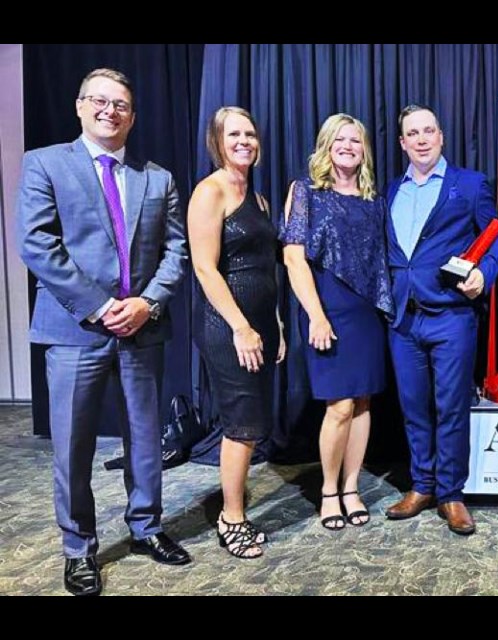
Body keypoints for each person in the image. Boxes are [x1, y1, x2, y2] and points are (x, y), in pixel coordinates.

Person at [16, 68, 190, 596]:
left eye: (120, 105)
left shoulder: (156, 178)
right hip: (74, 330)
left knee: (145, 436)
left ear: (133, 117)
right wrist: (99, 306)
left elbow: (176, 251)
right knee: (73, 445)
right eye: (100, 101)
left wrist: (146, 303)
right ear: (80, 107)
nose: (110, 111)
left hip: (142, 328)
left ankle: (146, 527)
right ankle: (78, 548)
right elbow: (37, 244)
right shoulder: (45, 163)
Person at [383, 105, 498, 536]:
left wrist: (483, 273)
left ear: (441, 137)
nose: (421, 139)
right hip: (403, 318)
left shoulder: (470, 185)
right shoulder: (390, 191)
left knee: (450, 407)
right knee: (415, 408)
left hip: (452, 315)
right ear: (402, 143)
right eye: (412, 133)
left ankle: (452, 494)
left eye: (428, 131)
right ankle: (422, 486)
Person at [281, 113, 393, 531]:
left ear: (364, 150)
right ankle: (329, 490)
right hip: (326, 306)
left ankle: (352, 488)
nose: (348, 146)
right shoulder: (306, 192)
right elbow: (293, 258)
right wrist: (315, 315)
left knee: (363, 402)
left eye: (356, 141)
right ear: (326, 145)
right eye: (340, 139)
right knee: (340, 405)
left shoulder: (373, 200)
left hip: (366, 312)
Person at [189, 107, 285, 558]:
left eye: (250, 133)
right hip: (228, 327)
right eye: (234, 134)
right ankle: (232, 518)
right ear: (217, 140)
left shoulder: (259, 199)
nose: (244, 140)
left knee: (253, 423)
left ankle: (234, 510)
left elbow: (267, 268)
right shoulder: (210, 192)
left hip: (260, 326)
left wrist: (276, 325)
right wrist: (242, 327)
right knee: (242, 424)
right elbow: (206, 270)